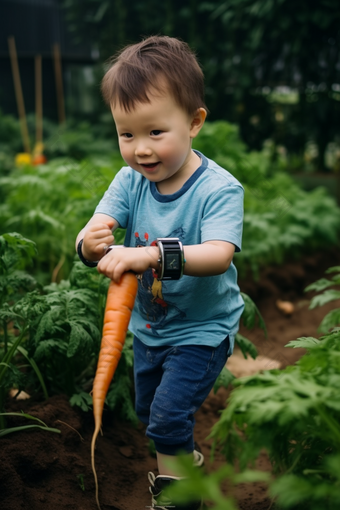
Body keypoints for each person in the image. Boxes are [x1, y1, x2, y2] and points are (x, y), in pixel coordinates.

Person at [76, 35, 244, 510]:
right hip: (148, 328)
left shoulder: (218, 189)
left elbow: (218, 255)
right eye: (126, 135)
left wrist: (147, 256)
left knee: (167, 417)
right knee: (152, 412)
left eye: (155, 132)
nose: (140, 150)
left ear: (194, 122)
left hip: (201, 329)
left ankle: (179, 499)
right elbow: (97, 227)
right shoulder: (130, 181)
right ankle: (182, 461)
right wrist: (89, 243)